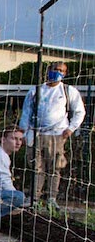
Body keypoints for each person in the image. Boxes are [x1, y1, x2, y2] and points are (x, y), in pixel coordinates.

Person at [18, 61, 86, 208]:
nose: (58, 72)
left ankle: (51, 198)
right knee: (36, 167)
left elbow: (80, 111)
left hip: (57, 134)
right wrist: (22, 132)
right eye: (56, 69)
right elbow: (26, 112)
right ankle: (34, 198)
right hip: (35, 134)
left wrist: (71, 128)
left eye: (61, 70)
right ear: (49, 70)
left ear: (65, 73)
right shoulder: (36, 91)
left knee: (54, 167)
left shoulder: (68, 91)